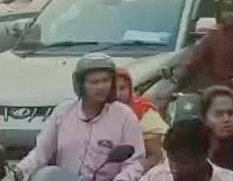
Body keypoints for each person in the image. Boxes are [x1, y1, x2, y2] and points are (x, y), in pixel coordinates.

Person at [16, 53, 145, 181]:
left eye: (105, 81)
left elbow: (135, 162)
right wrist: (19, 171)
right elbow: (41, 152)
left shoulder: (125, 116)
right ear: (81, 85)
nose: (101, 87)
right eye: (94, 82)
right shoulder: (63, 112)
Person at [141, 119, 233, 181]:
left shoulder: (230, 179)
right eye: (172, 160)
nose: (174, 168)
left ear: (206, 154)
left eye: (183, 162)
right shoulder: (154, 178)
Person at [116, 68, 169, 169]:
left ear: (130, 89)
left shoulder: (144, 113)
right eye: (113, 90)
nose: (117, 94)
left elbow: (156, 157)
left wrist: (129, 174)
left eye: (122, 88)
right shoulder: (101, 112)